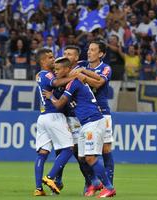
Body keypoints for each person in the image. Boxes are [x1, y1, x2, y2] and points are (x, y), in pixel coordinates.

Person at [43, 57, 116, 198]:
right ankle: (95, 183)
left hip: (93, 121)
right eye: (54, 69)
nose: (55, 72)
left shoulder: (74, 83)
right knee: (82, 157)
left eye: (58, 69)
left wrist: (51, 96)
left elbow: (59, 104)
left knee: (89, 157)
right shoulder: (73, 81)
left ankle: (109, 187)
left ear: (67, 69)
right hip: (85, 123)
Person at [54, 45, 103, 195]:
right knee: (59, 148)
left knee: (78, 152)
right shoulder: (59, 70)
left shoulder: (80, 70)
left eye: (69, 54)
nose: (66, 55)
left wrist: (81, 74)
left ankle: (90, 181)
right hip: (61, 116)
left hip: (77, 117)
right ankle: (58, 179)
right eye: (64, 53)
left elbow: (97, 81)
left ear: (76, 58)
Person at [73, 41, 115, 194]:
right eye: (88, 49)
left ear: (101, 53)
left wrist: (82, 76)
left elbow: (99, 84)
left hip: (102, 112)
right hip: (83, 113)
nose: (89, 52)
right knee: (82, 152)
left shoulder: (105, 68)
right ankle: (90, 182)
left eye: (93, 50)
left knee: (105, 150)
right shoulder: (81, 65)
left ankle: (108, 184)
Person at [33, 48, 75, 196]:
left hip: (43, 117)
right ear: (42, 61)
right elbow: (56, 82)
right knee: (69, 148)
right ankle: (50, 177)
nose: (53, 59)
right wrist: (74, 77)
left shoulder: (39, 75)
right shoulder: (47, 74)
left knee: (42, 153)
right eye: (50, 57)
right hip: (54, 116)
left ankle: (38, 189)